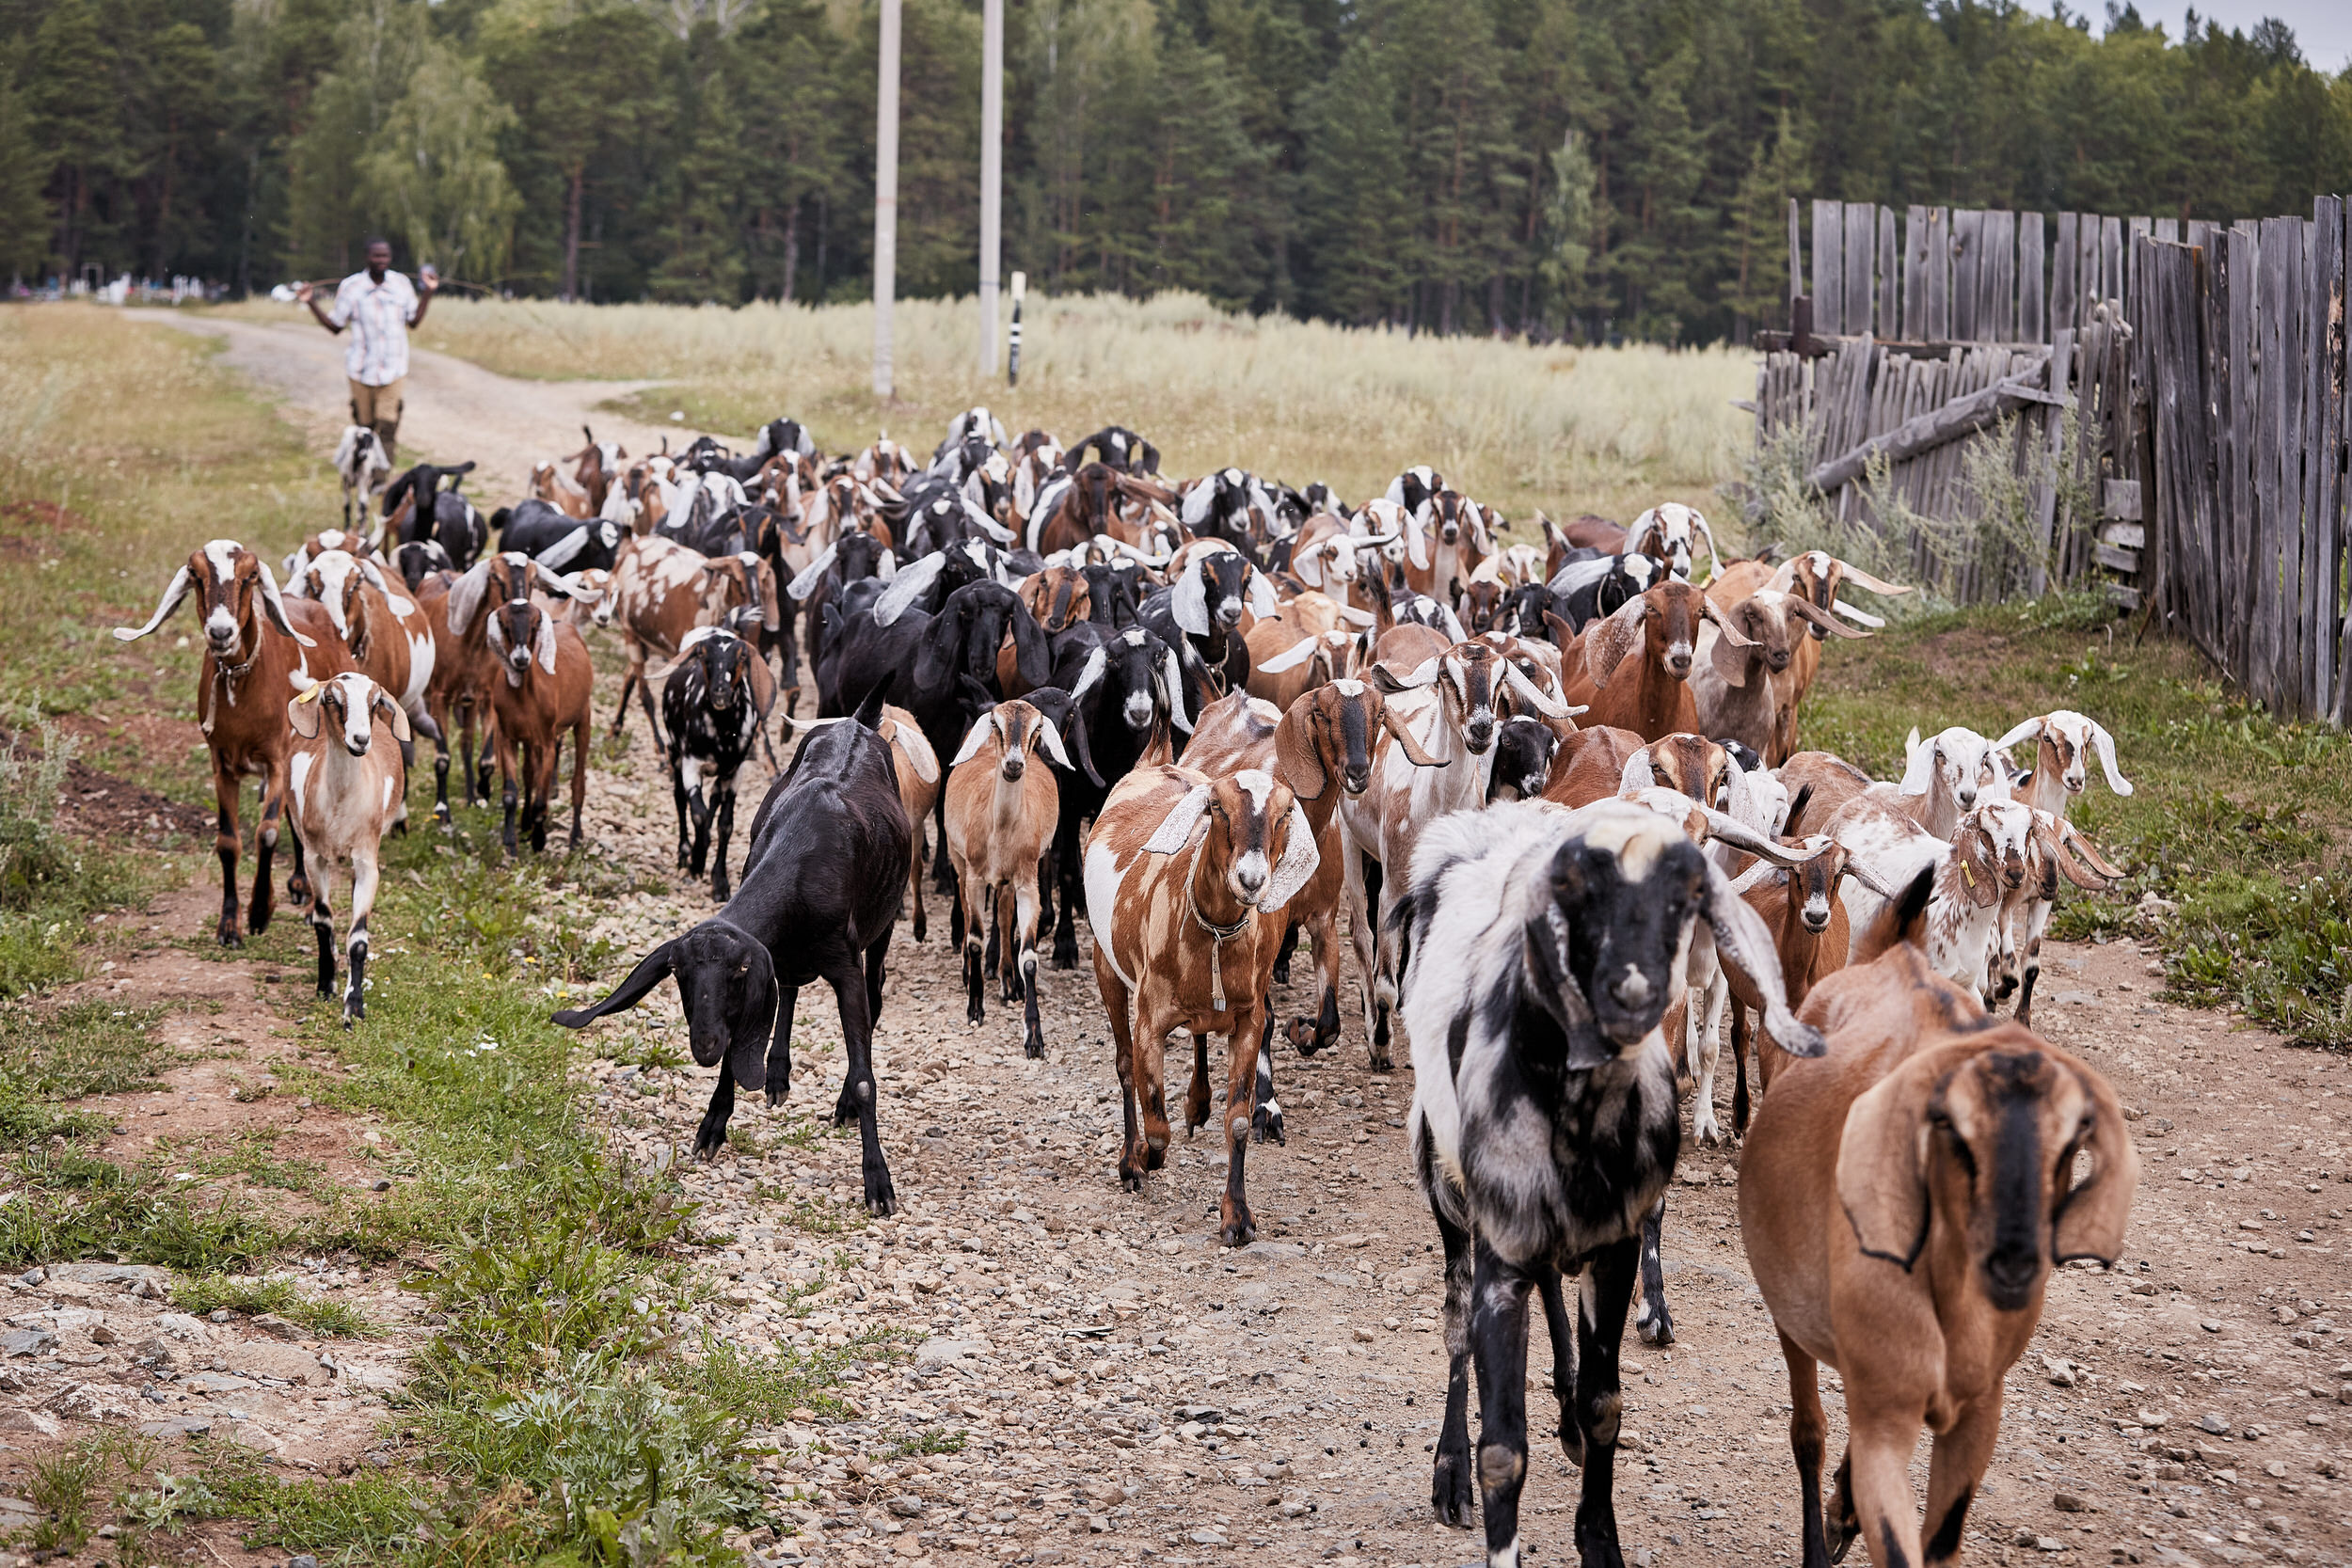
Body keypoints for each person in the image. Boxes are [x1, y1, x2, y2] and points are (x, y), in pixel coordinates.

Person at [297, 238, 438, 463]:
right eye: (377, 256)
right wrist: (311, 302)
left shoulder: (401, 284)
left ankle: (382, 476)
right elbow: (335, 326)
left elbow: (413, 321)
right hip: (360, 369)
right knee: (365, 427)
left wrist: (429, 292)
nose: (381, 260)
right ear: (367, 257)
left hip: (394, 367)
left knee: (388, 424)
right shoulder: (351, 287)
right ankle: (363, 471)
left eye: (385, 256)